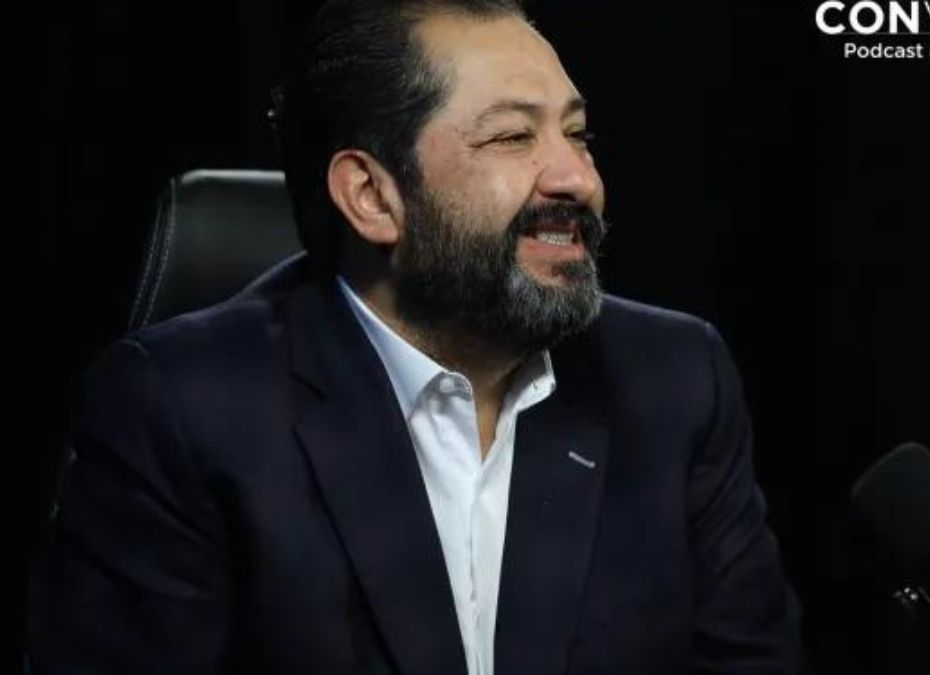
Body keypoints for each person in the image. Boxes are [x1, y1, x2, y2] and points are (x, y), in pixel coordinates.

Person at [28, 0, 803, 672]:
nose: (577, 178)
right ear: (372, 195)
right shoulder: (182, 410)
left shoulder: (674, 379)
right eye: (513, 137)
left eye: (579, 134)